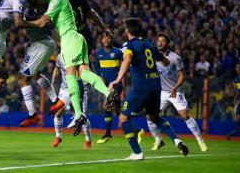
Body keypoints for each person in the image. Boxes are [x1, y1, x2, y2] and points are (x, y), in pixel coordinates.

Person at [27, 0, 115, 136]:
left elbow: (42, 23)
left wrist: (22, 23)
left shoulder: (56, 0)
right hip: (80, 38)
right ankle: (106, 95)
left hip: (69, 40)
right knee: (84, 74)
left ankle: (78, 113)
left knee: (70, 77)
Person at [108, 18, 189, 160]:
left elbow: (127, 60)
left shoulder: (129, 45)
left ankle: (137, 152)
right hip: (156, 86)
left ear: (128, 31)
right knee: (153, 117)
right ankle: (177, 140)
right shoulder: (148, 43)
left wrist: (117, 79)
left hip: (141, 87)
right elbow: (166, 61)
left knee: (123, 118)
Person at [147, 33, 208, 152]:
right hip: (161, 92)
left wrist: (175, 88)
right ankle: (158, 140)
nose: (159, 43)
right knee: (150, 116)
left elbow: (182, 76)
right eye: (158, 40)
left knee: (185, 115)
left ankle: (201, 141)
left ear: (167, 43)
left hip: (176, 91)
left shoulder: (175, 58)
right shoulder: (153, 57)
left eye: (162, 41)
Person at [51, 53, 91, 149]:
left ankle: (88, 139)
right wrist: (52, 83)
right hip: (65, 89)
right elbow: (56, 69)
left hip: (79, 88)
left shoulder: (78, 55)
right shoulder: (60, 56)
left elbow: (86, 70)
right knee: (58, 113)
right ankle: (58, 137)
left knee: (82, 116)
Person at [227, 62, 240, 140]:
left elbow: (238, 90)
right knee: (237, 118)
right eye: (237, 67)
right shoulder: (237, 78)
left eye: (238, 67)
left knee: (238, 118)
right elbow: (238, 89)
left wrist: (235, 98)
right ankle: (233, 133)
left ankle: (233, 133)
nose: (237, 69)